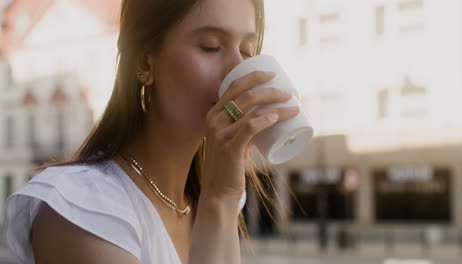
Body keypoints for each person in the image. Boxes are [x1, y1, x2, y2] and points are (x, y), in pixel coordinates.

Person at [2, 0, 299, 263]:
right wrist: (220, 199)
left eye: (247, 51)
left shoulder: (207, 200)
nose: (237, 69)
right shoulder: (80, 209)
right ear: (145, 61)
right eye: (210, 46)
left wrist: (222, 199)